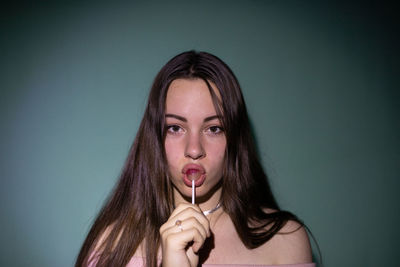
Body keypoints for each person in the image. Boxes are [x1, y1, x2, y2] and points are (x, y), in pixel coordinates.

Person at [75, 51, 315, 267]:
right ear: (154, 137)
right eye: (175, 128)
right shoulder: (111, 245)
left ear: (235, 138)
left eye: (213, 129)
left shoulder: (284, 241)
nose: (193, 149)